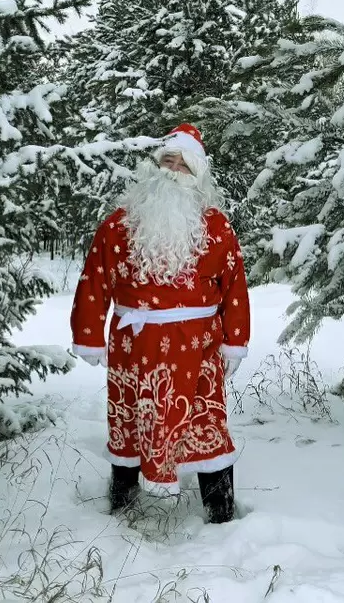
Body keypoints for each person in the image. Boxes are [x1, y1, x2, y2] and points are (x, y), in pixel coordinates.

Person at [70, 123, 250, 524]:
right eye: (168, 161)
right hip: (135, 346)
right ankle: (122, 506)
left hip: (198, 349)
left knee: (206, 424)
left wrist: (235, 340)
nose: (173, 171)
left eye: (184, 165)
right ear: (153, 167)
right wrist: (89, 335)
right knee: (131, 422)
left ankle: (221, 513)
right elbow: (94, 280)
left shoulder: (216, 226)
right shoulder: (118, 224)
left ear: (198, 175)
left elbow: (234, 286)